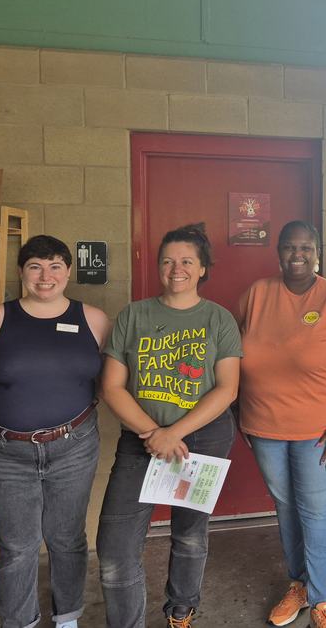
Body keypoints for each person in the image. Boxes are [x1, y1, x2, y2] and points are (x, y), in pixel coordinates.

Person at [96, 223, 242, 628]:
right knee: (115, 548)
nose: (175, 269)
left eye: (186, 262)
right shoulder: (133, 315)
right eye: (168, 261)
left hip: (203, 438)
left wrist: (173, 433)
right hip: (140, 440)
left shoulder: (219, 319)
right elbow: (111, 387)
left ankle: (181, 610)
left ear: (202, 269)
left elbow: (227, 389)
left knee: (189, 533)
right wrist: (154, 434)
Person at [0, 235, 110, 628]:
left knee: (67, 539)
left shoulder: (93, 320)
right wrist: (10, 417)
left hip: (73, 448)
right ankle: (22, 621)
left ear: (68, 272)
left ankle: (68, 618)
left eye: (56, 266)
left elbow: (106, 382)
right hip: (5, 452)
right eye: (36, 267)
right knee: (17, 547)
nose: (46, 276)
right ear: (21, 272)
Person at [237, 220, 326, 628]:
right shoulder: (256, 295)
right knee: (286, 507)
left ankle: (322, 600)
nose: (298, 254)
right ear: (278, 252)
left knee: (317, 512)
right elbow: (230, 351)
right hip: (264, 427)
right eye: (290, 247)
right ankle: (299, 583)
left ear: (317, 253)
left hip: (320, 432)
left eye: (306, 248)